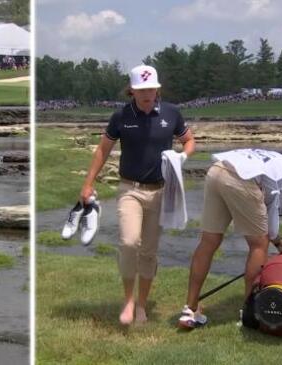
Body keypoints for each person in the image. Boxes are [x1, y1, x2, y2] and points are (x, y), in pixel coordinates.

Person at [80, 65, 195, 325]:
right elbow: (102, 150)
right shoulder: (121, 116)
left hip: (161, 192)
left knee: (149, 252)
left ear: (158, 89)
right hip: (130, 189)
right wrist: (88, 184)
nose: (147, 94)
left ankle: (142, 305)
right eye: (142, 90)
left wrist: (182, 156)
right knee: (130, 243)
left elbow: (189, 140)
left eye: (151, 89)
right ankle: (128, 300)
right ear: (131, 90)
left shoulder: (171, 113)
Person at [178, 149, 282, 329]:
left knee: (209, 241)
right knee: (258, 245)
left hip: (217, 170)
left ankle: (190, 311)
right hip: (242, 177)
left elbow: (267, 215)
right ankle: (250, 314)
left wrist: (279, 242)